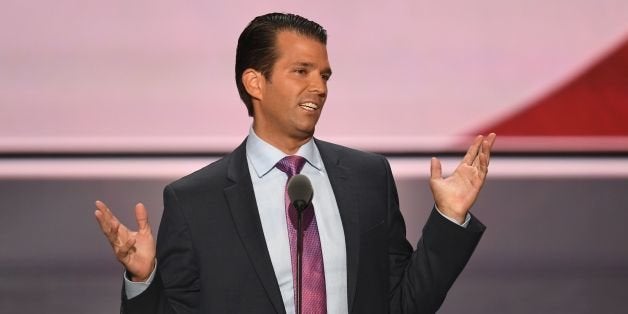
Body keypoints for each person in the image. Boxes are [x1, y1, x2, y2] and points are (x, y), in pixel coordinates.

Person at [94, 12, 496, 314]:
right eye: (301, 71)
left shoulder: (368, 178)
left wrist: (448, 217)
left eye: (324, 75)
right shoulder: (195, 201)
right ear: (255, 83)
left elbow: (404, 303)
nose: (319, 87)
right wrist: (144, 279)